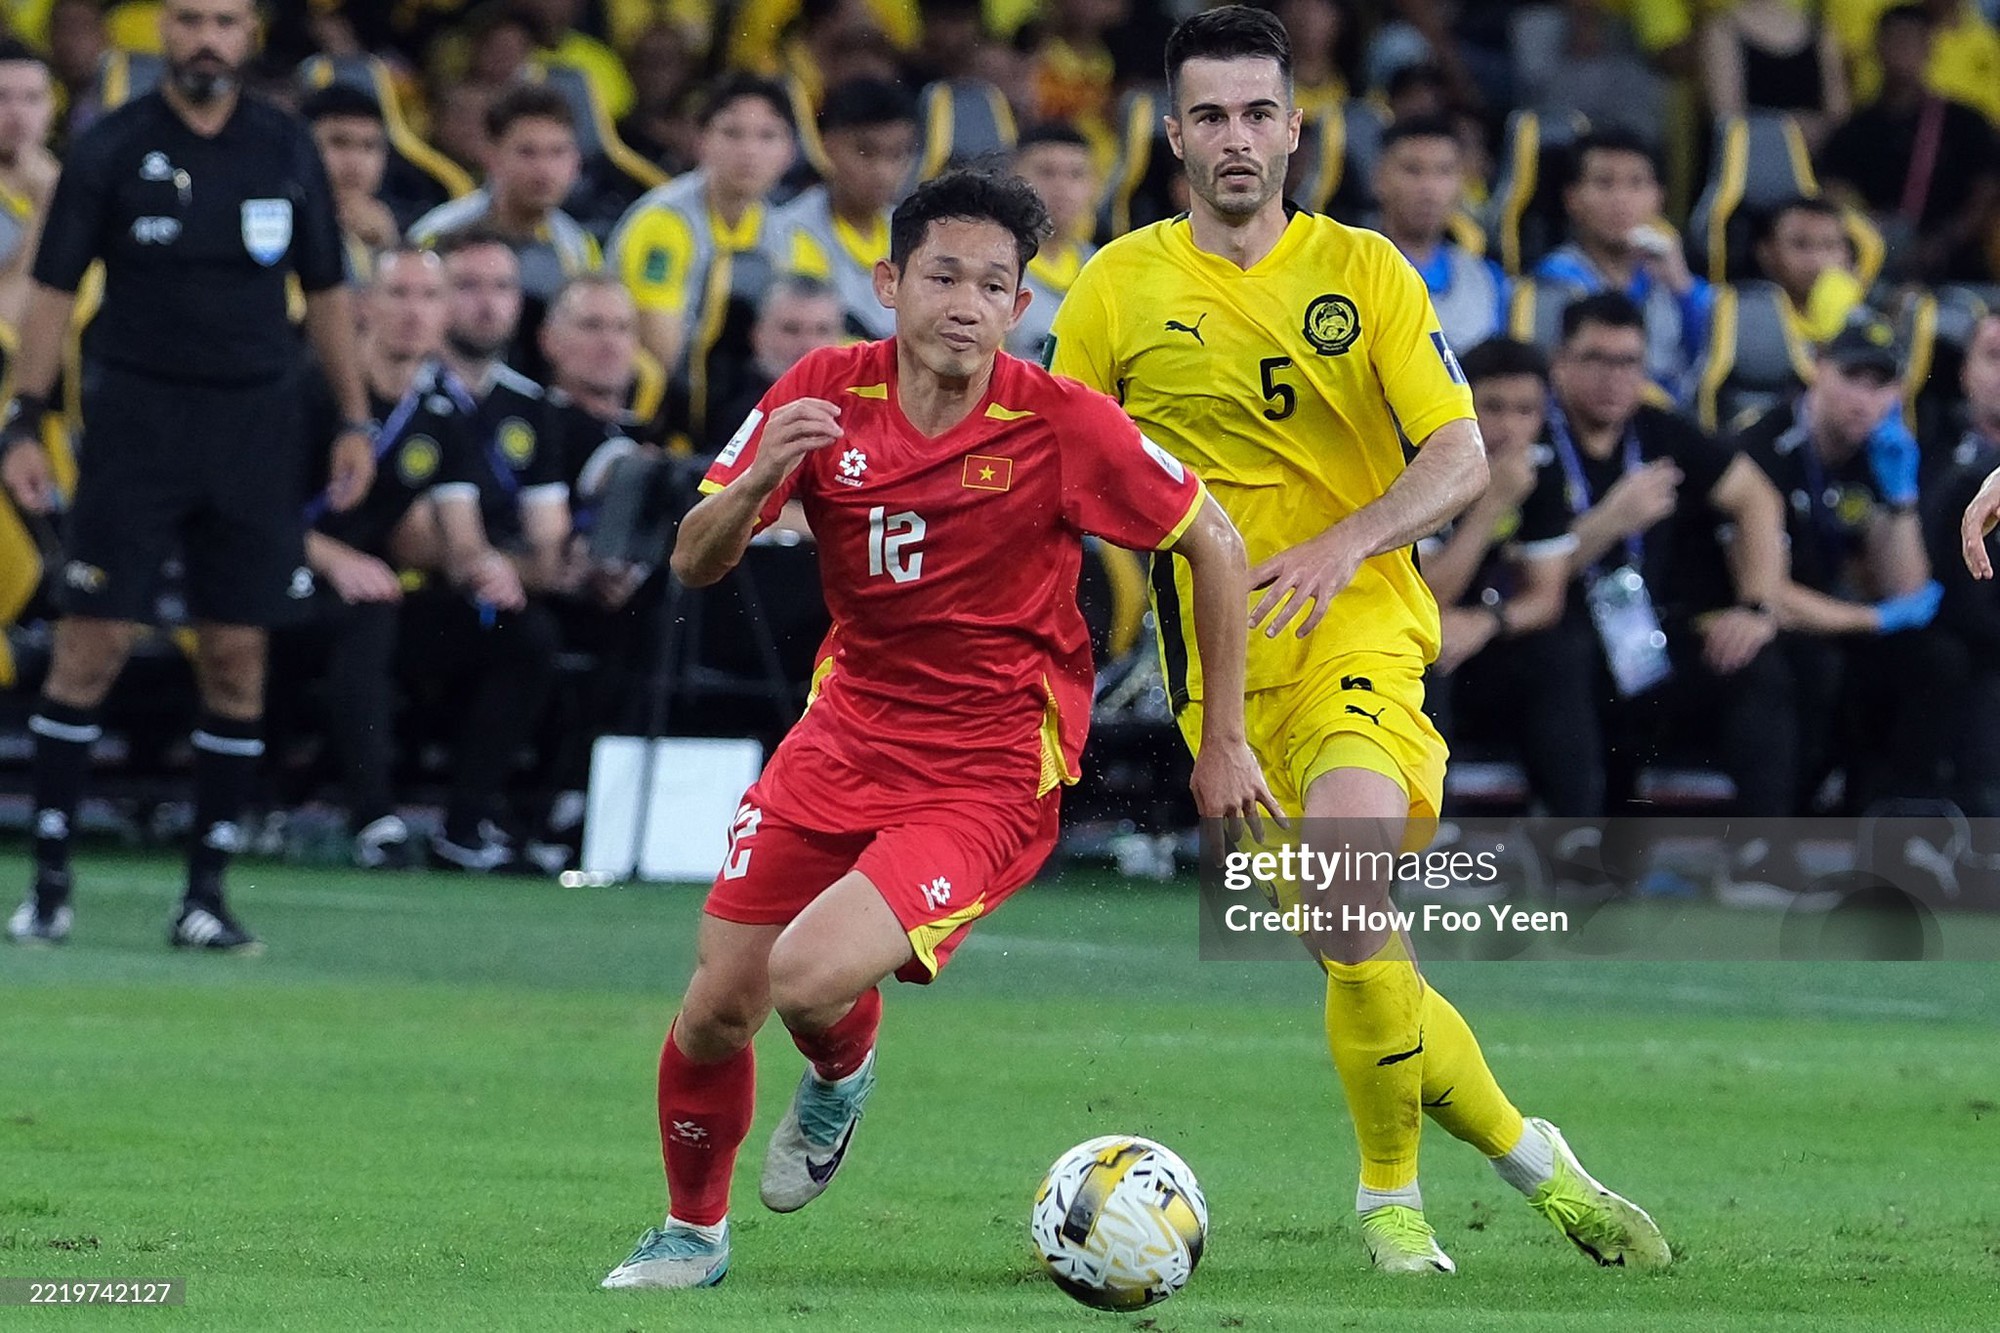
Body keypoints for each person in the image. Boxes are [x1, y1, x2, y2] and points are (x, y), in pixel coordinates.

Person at [1048, 5, 1670, 1275]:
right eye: (1208, 115)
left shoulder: (1366, 270)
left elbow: (1459, 453)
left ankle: (1390, 1203)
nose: (1234, 137)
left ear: (1295, 128)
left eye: (1255, 113)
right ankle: (1533, 1158)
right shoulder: (1114, 286)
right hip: (1220, 682)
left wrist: (1344, 542)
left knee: (1344, 887)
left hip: (1361, 638)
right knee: (1357, 946)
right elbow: (1055, 468)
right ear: (1172, 135)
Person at [598, 169, 1276, 1290]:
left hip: (990, 766)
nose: (965, 304)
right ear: (889, 282)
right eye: (943, 277)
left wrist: (1225, 738)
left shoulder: (1060, 421)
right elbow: (693, 560)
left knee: (806, 978)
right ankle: (691, 1235)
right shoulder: (823, 389)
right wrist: (760, 478)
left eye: (992, 286)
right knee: (717, 1006)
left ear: (1020, 305)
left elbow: (1215, 541)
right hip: (843, 733)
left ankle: (840, 1070)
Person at [0, 0, 374, 951]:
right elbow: (51, 291)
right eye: (191, 19)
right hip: (135, 428)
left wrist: (353, 418)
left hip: (255, 431)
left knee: (237, 654)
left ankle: (206, 894)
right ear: (163, 31)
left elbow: (328, 290)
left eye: (226, 21)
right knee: (91, 643)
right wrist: (25, 417)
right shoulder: (112, 145)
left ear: (251, 35)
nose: (208, 38)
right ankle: (49, 884)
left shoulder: (285, 146)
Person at [290, 246, 517, 868]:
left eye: (429, 297)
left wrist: (484, 568)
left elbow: (460, 531)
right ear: (365, 306)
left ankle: (465, 827)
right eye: (398, 294)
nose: (414, 312)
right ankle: (374, 819)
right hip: (286, 583)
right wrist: (336, 560)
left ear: (445, 313)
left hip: (378, 590)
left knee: (524, 637)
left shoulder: (444, 409)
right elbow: (256, 513)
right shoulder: (310, 387)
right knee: (369, 615)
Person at [1542, 293, 1793, 816]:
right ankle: (1578, 844)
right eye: (1596, 360)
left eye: (1628, 362)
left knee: (1759, 665)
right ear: (1560, 363)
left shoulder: (1660, 431)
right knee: (1567, 659)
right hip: (1560, 634)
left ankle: (1764, 849)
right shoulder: (1537, 436)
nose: (1614, 378)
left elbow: (1758, 499)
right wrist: (1611, 521)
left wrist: (1756, 607)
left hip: (1648, 634)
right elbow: (1527, 579)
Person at [1736, 313, 1949, 812]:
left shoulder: (1878, 451)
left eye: (1881, 385)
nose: (1865, 399)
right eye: (1852, 377)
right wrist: (1870, 620)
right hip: (1758, 619)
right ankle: (1780, 825)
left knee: (1932, 658)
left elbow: (1907, 590)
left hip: (1831, 618)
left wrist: (1900, 499)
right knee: (1814, 666)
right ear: (1817, 367)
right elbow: (1767, 592)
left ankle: (1880, 818)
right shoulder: (1763, 447)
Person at [406, 226, 570, 872]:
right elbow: (414, 538)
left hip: (486, 599)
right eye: (467, 286)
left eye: (501, 287)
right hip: (403, 592)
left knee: (540, 634)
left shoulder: (532, 407)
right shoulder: (404, 390)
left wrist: (504, 567)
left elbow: (549, 549)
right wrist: (487, 562)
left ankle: (487, 822)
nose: (486, 303)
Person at [1419, 338, 1576, 799]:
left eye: (1526, 411)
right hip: (1423, 630)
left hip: (1484, 634)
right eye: (1493, 408)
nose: (1509, 428)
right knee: (1426, 650)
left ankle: (1572, 825)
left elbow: (1546, 598)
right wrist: (1492, 506)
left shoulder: (1541, 467)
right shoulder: (1424, 462)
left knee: (1561, 653)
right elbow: (1427, 595)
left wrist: (1486, 622)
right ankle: (1432, 826)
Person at [610, 75, 796, 442]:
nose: (749, 151)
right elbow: (663, 355)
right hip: (662, 418)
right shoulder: (663, 223)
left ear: (790, 151)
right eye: (732, 133)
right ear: (701, 141)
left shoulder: (782, 233)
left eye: (767, 136)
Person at [1817, 4, 2000, 282]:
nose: (1903, 50)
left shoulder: (1967, 123)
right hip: (1878, 268)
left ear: (1930, 49)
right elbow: (1835, 189)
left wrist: (1944, 241)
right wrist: (1872, 229)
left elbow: (1986, 191)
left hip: (1960, 269)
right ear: (1877, 48)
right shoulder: (1853, 131)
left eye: (1913, 41)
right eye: (1896, 40)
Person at [407, 83, 600, 342]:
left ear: (576, 161)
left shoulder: (576, 246)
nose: (544, 169)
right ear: (492, 157)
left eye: (557, 152)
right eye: (527, 152)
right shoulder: (436, 235)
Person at [1533, 128, 1713, 399]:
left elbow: (1716, 361)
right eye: (1604, 183)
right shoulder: (1552, 283)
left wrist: (1682, 288)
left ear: (1659, 197)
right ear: (1572, 198)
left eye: (1636, 183)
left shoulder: (1678, 282)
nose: (1621, 199)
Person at [768, 78, 919, 342]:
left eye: (897, 154)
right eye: (866, 152)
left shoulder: (914, 235)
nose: (883, 172)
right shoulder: (787, 232)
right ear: (827, 145)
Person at [1371, 115, 1506, 358]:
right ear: (1379, 179)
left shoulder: (1487, 280)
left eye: (1444, 171)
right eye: (1413, 170)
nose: (1429, 188)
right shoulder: (1351, 269)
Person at [703, 273, 847, 453]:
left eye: (822, 330)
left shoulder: (860, 404)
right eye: (791, 329)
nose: (808, 345)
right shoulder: (726, 409)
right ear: (757, 334)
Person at [1698, 0, 1850, 147]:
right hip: (1753, 156)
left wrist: (1813, 131)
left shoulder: (1820, 30)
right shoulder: (1721, 30)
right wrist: (1788, 129)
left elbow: (1839, 113)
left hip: (1816, 156)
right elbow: (1727, 116)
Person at [1006, 121, 1099, 363]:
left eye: (1076, 174)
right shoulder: (991, 269)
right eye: (1046, 172)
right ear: (1013, 179)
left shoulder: (1104, 267)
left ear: (1094, 186)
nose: (1062, 187)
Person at [299, 82, 396, 285]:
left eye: (369, 146)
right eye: (339, 142)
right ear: (303, 145)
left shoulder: (396, 224)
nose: (354, 162)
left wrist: (390, 249)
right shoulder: (282, 224)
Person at [0, 40, 57, 331]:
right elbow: (7, 317)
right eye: (1, 97)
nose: (17, 113)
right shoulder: (51, 190)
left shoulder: (82, 182)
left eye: (32, 98)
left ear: (52, 107)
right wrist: (46, 207)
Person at [1750, 195, 1863, 343]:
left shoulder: (1867, 317)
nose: (1816, 260)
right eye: (1800, 244)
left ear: (1848, 254)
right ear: (1766, 252)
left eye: (1829, 245)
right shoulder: (1741, 319)